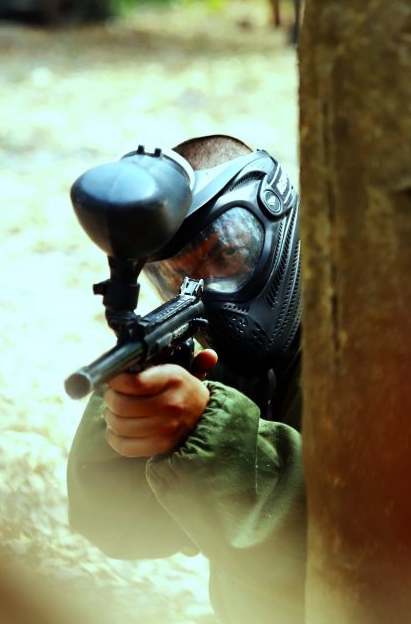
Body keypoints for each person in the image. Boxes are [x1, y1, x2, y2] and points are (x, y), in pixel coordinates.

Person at [67, 134, 306, 624]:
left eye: (226, 256)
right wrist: (131, 419)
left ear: (276, 222)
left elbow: (366, 547)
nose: (203, 289)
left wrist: (208, 431)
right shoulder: (222, 357)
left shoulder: (383, 341)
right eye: (175, 277)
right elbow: (124, 526)